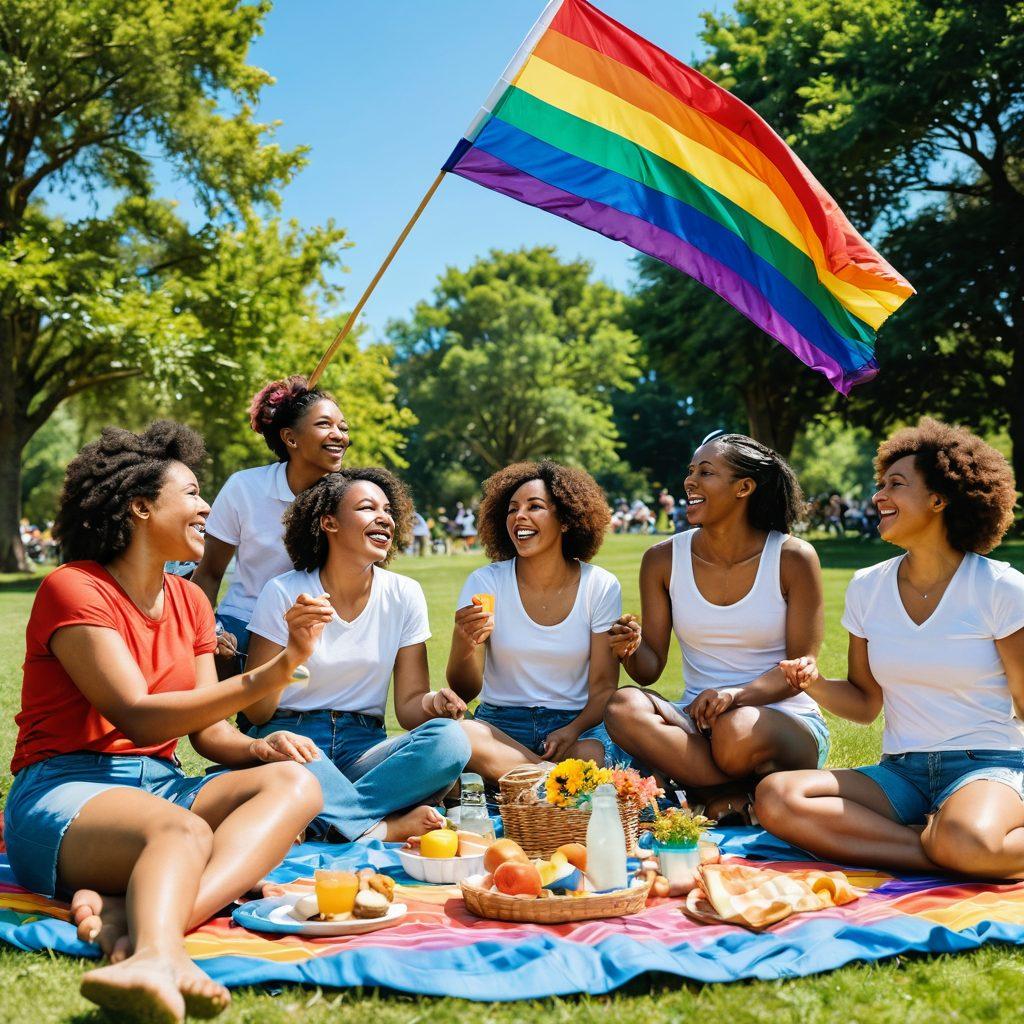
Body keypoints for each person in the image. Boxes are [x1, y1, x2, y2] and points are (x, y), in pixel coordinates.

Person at [3, 422, 331, 1023]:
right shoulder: (73, 588)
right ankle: (155, 958)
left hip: (160, 783)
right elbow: (136, 714)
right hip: (66, 789)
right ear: (140, 506)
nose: (207, 507)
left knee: (296, 785)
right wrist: (276, 670)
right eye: (192, 493)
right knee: (184, 832)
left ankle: (137, 918)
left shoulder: (191, 600)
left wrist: (262, 749)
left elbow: (211, 734)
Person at [756, 420, 1024, 879]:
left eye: (895, 485)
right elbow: (864, 705)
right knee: (776, 797)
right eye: (880, 485)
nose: (878, 495)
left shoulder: (1000, 587)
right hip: (901, 773)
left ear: (938, 500)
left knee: (968, 838)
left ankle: (956, 843)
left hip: (988, 764)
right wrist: (814, 683)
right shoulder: (868, 587)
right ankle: (941, 849)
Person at [604, 434, 828, 822]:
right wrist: (631, 648)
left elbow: (799, 671)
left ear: (744, 487)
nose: (690, 482)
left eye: (706, 473)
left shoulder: (793, 557)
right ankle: (731, 795)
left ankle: (698, 788)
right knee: (622, 707)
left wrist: (733, 696)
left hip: (779, 722)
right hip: (697, 723)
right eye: (691, 471)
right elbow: (648, 670)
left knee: (735, 730)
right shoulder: (661, 559)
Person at [242, 468, 472, 843]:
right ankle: (378, 827)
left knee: (450, 741)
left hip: (364, 749)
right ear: (329, 523)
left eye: (388, 510)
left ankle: (326, 819)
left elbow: (409, 707)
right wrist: (295, 650)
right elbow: (256, 713)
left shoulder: (404, 594)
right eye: (367, 508)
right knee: (294, 766)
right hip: (294, 740)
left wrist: (434, 704)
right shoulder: (283, 592)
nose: (384, 518)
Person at [448, 461, 623, 783]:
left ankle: (526, 784)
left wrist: (572, 730)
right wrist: (464, 641)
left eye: (534, 506)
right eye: (512, 509)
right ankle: (557, 783)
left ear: (566, 520)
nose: (519, 516)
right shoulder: (485, 582)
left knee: (591, 754)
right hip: (500, 725)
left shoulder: (600, 585)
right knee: (463, 734)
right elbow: (464, 689)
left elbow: (603, 689)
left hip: (575, 725)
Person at [192, 376, 349, 668]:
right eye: (324, 424)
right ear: (290, 438)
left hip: (318, 628)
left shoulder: (350, 497)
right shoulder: (243, 487)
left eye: (343, 427)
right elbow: (209, 572)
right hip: (243, 627)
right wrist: (208, 634)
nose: (339, 435)